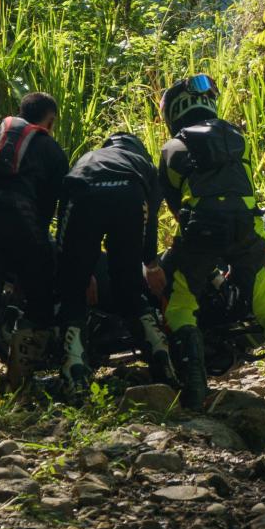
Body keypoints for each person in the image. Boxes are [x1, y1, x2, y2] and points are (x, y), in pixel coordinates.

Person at [156, 75, 265, 424]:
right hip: (247, 231)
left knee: (180, 304)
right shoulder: (238, 137)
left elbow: (175, 204)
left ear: (173, 111)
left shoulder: (171, 149)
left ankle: (194, 398)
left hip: (200, 231)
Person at [56, 132, 176, 396]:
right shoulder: (144, 165)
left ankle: (73, 370)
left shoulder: (87, 157)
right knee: (128, 286)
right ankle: (161, 355)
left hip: (84, 190)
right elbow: (150, 222)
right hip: (130, 194)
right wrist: (151, 265)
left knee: (72, 290)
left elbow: (63, 217)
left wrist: (79, 270)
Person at [0, 92, 69, 396]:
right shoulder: (49, 147)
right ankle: (19, 380)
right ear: (48, 121)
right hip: (25, 225)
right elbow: (54, 206)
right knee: (39, 303)